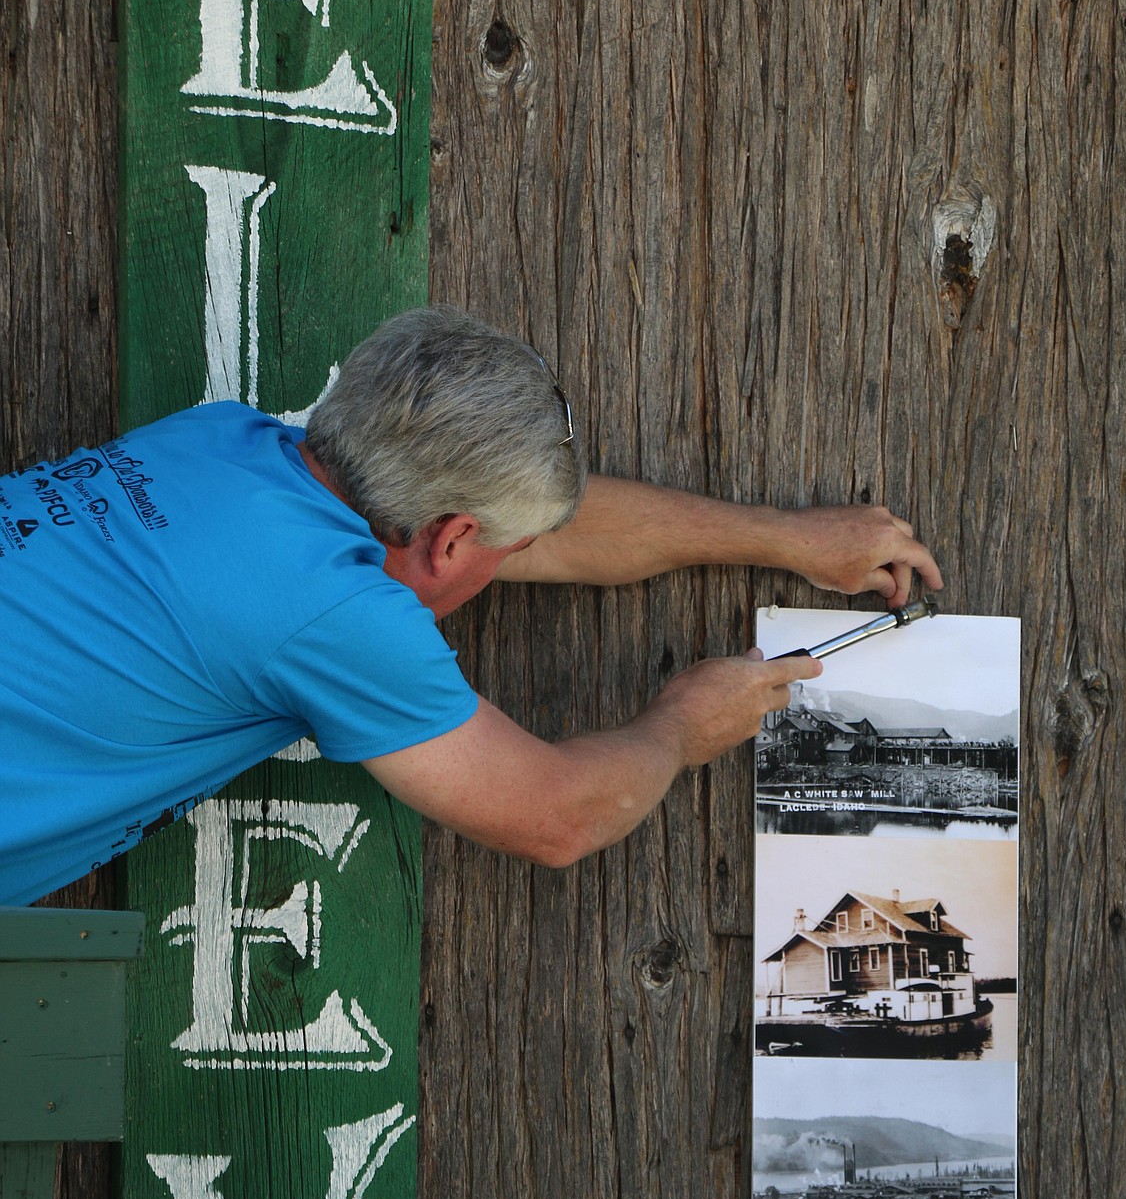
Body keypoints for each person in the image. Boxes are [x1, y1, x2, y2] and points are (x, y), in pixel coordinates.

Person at [0, 305, 941, 904]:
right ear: (454, 540)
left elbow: (557, 530)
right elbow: (556, 816)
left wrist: (782, 539)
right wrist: (682, 727)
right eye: (503, 549)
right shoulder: (340, 617)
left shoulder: (231, 443)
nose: (519, 558)